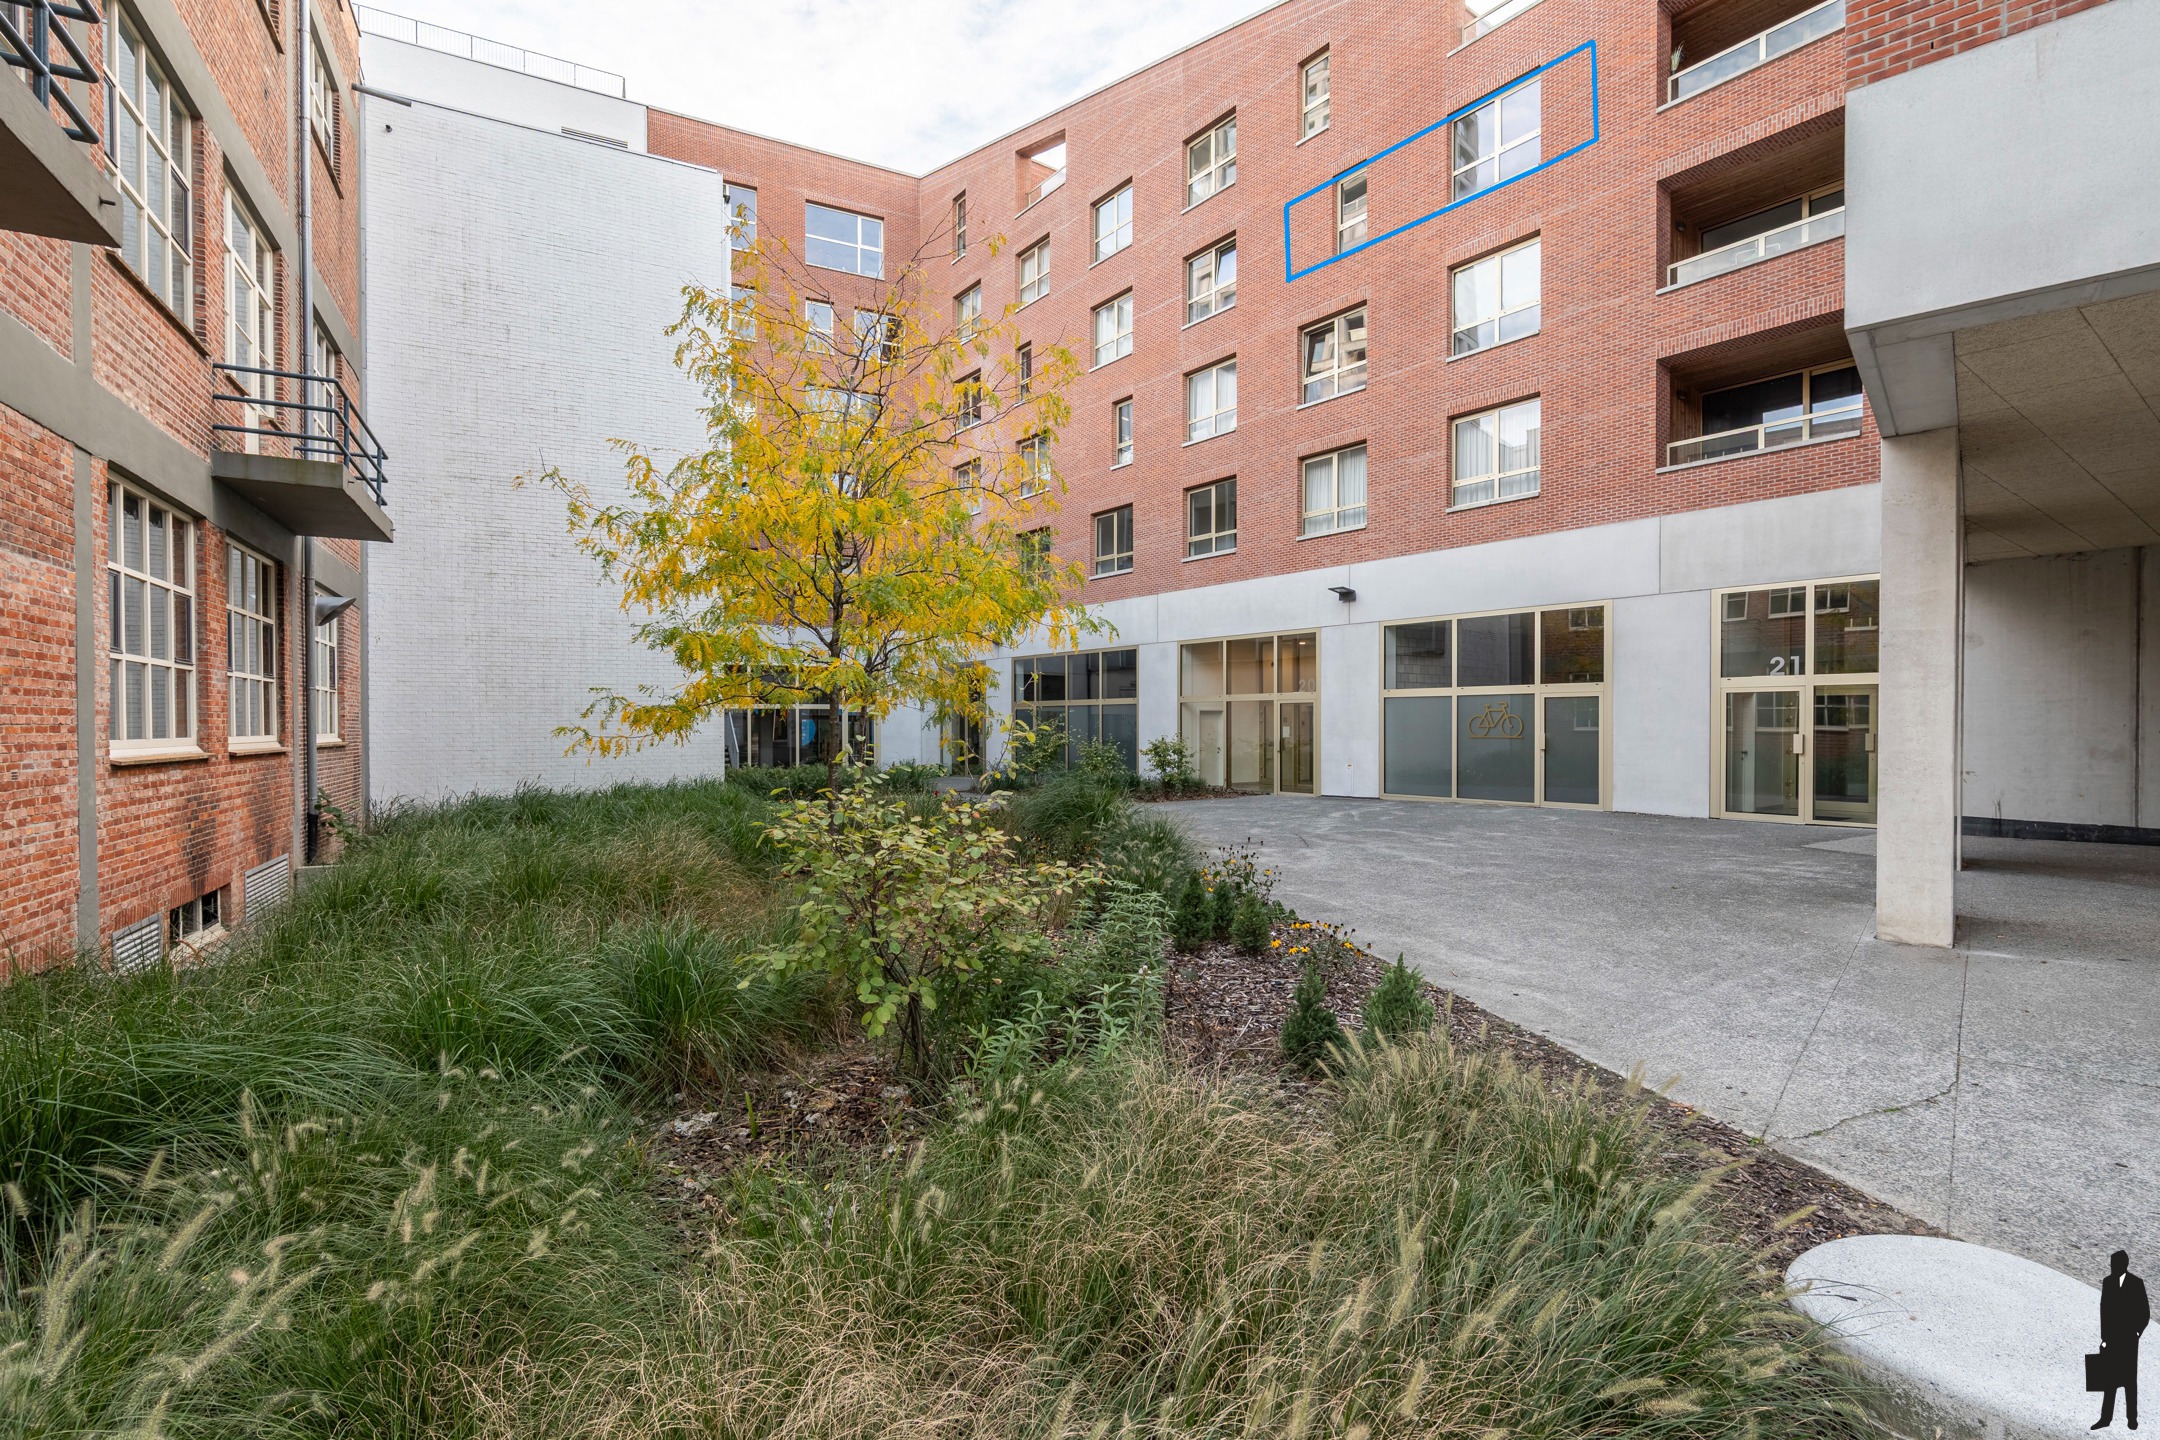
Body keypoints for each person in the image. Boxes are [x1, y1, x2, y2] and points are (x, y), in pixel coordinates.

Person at [2096, 1250, 2149, 1430]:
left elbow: (2145, 1312)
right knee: (2109, 1380)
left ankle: (2132, 1419)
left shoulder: (2136, 1283)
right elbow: (2104, 1311)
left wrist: (2136, 1333)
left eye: (2114, 1264)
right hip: (2111, 1339)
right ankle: (2105, 1418)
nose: (2111, 1268)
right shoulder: (2107, 1282)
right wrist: (2104, 1338)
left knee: (2129, 1381)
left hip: (2128, 1341)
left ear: (2123, 1265)